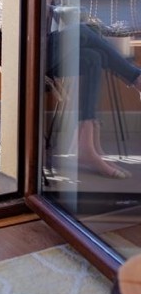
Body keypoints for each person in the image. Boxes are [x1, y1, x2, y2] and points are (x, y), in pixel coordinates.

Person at [47, 20, 141, 179]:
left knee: (94, 57)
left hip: (46, 43)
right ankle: (136, 78)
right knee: (81, 29)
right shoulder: (5, 4)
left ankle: (85, 145)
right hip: (33, 52)